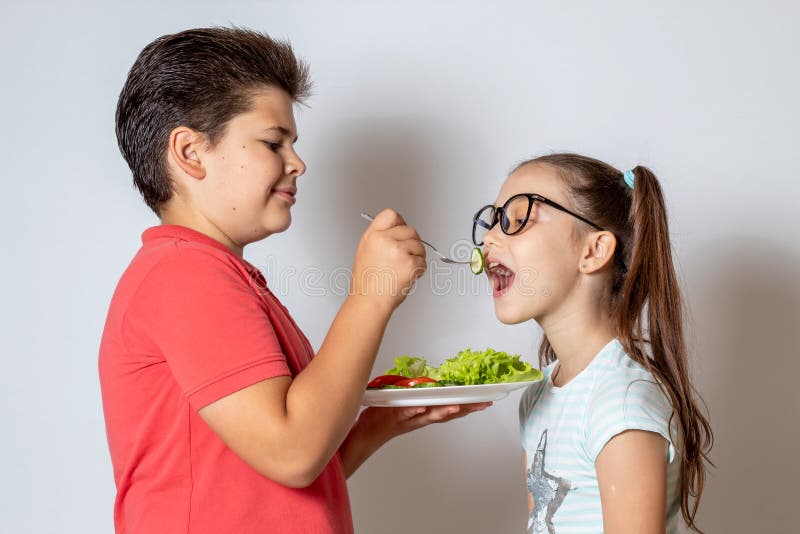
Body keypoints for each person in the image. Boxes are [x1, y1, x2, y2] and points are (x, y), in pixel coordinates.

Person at [99, 26, 490, 534]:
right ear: (190, 153)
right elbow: (292, 453)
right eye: (272, 142)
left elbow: (273, 485)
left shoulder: (217, 275)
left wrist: (375, 426)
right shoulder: (185, 275)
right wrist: (369, 296)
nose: (297, 163)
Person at [474, 153, 713, 533]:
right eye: (491, 222)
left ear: (593, 251)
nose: (488, 237)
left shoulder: (619, 403)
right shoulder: (537, 395)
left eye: (518, 220)